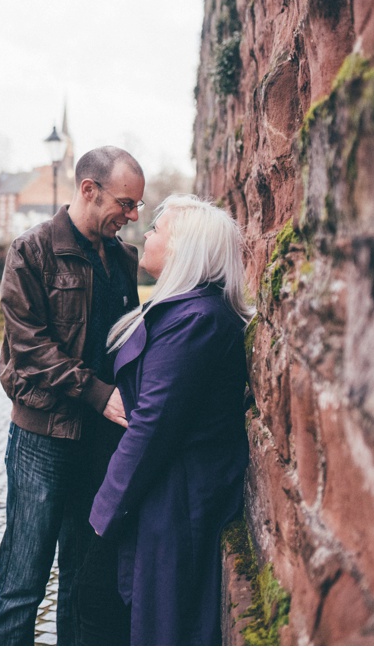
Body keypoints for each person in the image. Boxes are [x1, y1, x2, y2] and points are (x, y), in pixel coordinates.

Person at [0, 146, 145, 646]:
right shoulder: (29, 251)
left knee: (80, 584)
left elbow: (128, 343)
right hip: (41, 440)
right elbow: (30, 347)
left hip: (100, 446)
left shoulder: (123, 259)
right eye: (126, 203)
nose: (133, 215)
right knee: (22, 584)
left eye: (138, 206)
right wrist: (98, 394)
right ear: (88, 190)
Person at [89, 195, 252, 645]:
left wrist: (103, 513)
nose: (146, 235)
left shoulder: (195, 321)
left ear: (184, 247)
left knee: (165, 627)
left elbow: (152, 427)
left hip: (177, 502)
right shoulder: (189, 311)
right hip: (167, 494)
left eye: (158, 230)